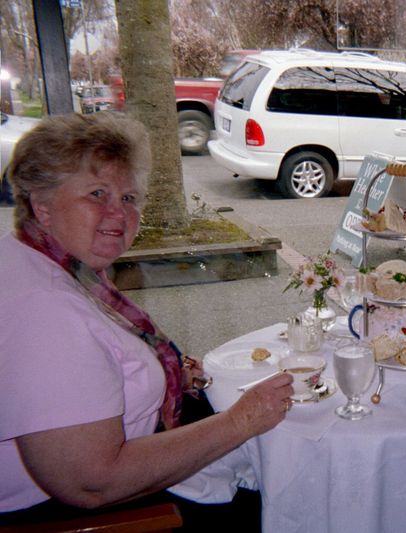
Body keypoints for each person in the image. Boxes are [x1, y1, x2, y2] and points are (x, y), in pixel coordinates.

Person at [0, 112, 293, 528]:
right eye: (97, 194)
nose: (119, 214)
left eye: (128, 198)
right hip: (102, 512)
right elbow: (91, 483)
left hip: (129, 460)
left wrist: (166, 372)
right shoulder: (45, 311)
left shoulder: (43, 259)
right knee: (280, 493)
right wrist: (242, 420)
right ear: (41, 206)